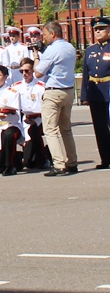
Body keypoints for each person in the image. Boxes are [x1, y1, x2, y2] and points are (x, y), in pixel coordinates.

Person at [32, 20, 78, 176]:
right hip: (68, 90)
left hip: (53, 91)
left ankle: (59, 164)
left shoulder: (51, 50)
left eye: (45, 35)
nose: (44, 38)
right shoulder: (70, 47)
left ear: (52, 34)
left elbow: (38, 72)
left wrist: (37, 57)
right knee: (66, 129)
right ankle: (72, 162)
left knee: (50, 129)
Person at [81, 16, 110, 169]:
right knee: (100, 128)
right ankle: (106, 159)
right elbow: (86, 74)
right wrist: (85, 95)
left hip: (109, 90)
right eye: (96, 29)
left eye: (101, 29)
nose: (98, 31)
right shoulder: (91, 50)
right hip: (96, 93)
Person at [13, 57, 50, 170]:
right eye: (22, 71)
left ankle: (44, 158)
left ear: (33, 70)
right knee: (29, 161)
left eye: (27, 71)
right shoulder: (16, 87)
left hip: (38, 120)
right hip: (22, 119)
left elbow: (45, 107)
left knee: (33, 131)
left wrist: (36, 120)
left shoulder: (41, 86)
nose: (24, 74)